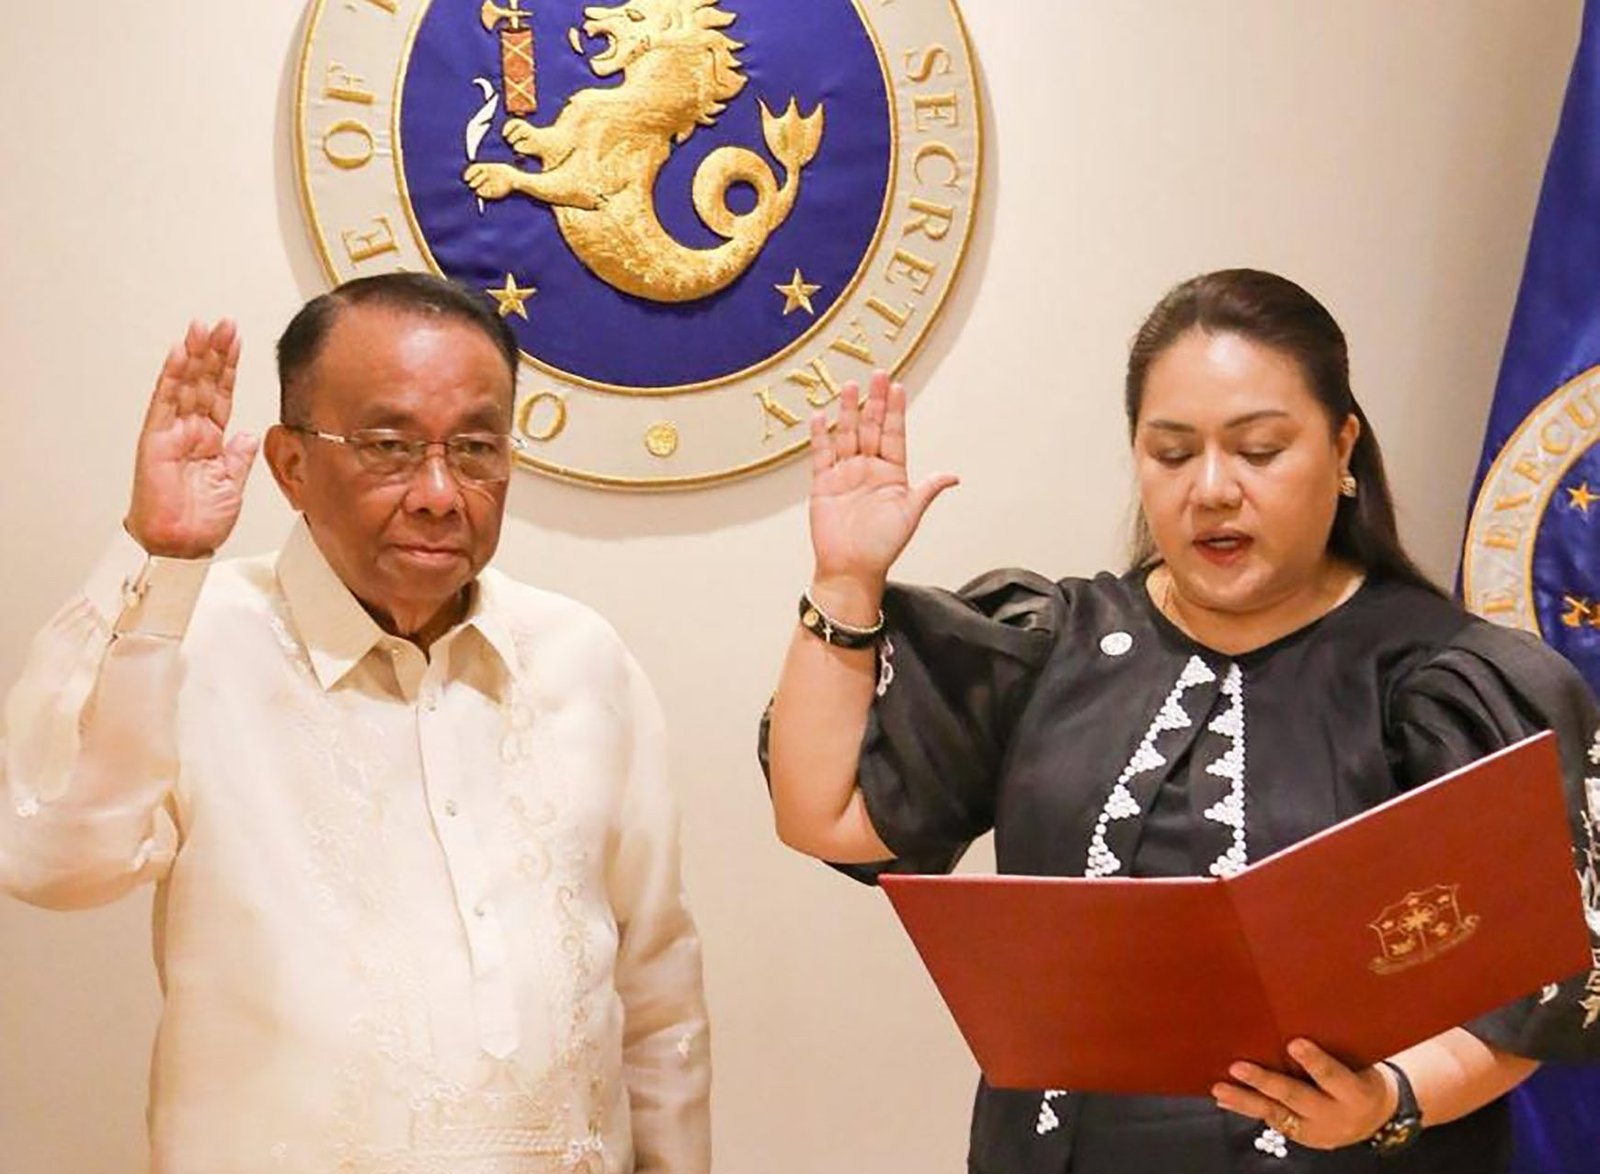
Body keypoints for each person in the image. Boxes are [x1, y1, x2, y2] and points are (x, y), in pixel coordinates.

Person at [761, 268, 1600, 1173]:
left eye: (1259, 450)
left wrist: (1387, 1101)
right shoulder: (1055, 642)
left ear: (1342, 447)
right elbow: (825, 816)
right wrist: (845, 581)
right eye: (1171, 453)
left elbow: (1527, 992)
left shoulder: (1444, 682)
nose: (1211, 488)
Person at [0, 273, 710, 1173]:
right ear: (291, 464)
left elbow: (657, 990)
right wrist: (158, 557)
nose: (440, 493)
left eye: (476, 448)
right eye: (389, 447)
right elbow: (47, 860)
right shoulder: (191, 636)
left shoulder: (581, 657)